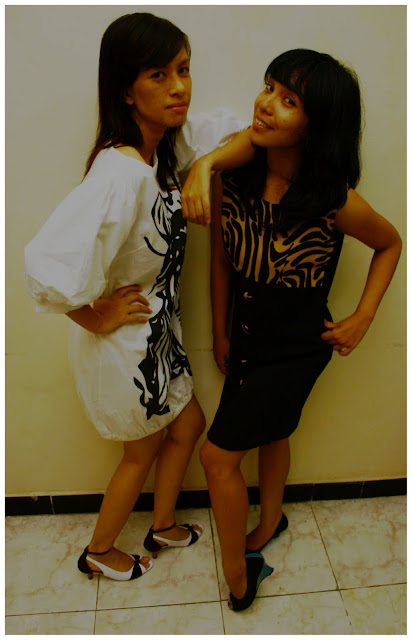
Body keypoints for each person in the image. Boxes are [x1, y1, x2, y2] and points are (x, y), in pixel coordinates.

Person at [24, 12, 252, 582]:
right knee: (141, 451)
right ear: (127, 90)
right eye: (159, 75)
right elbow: (45, 263)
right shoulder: (119, 173)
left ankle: (162, 524)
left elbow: (246, 133)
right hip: (126, 345)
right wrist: (93, 315)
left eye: (184, 69)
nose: (179, 87)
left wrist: (205, 168)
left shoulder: (165, 148)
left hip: (161, 333)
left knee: (188, 424)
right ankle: (99, 550)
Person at [182, 48, 402, 611]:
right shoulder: (238, 172)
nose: (266, 104)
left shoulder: (332, 200)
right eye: (269, 87)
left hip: (297, 347)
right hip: (245, 334)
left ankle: (238, 574)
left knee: (216, 458)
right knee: (274, 432)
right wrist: (221, 332)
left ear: (317, 123)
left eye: (289, 100)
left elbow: (390, 243)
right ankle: (272, 519)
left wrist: (362, 317)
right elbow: (221, 260)